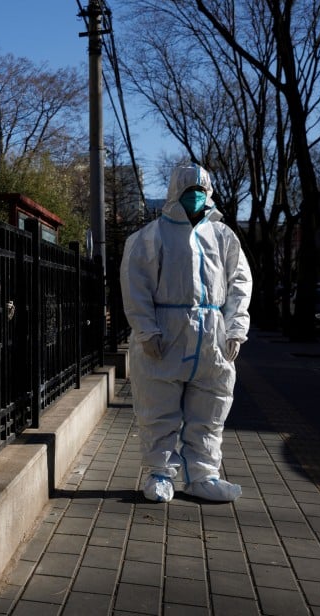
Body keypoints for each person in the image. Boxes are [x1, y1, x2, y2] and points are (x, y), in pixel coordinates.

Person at [120, 163, 253, 504]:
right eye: (188, 190)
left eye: (201, 190)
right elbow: (135, 284)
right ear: (174, 193)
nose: (195, 196)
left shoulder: (223, 236)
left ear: (209, 193)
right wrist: (146, 330)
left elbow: (240, 283)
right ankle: (160, 474)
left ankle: (203, 475)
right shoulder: (152, 236)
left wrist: (236, 327)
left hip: (212, 339)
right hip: (165, 336)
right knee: (157, 409)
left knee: (210, 409)